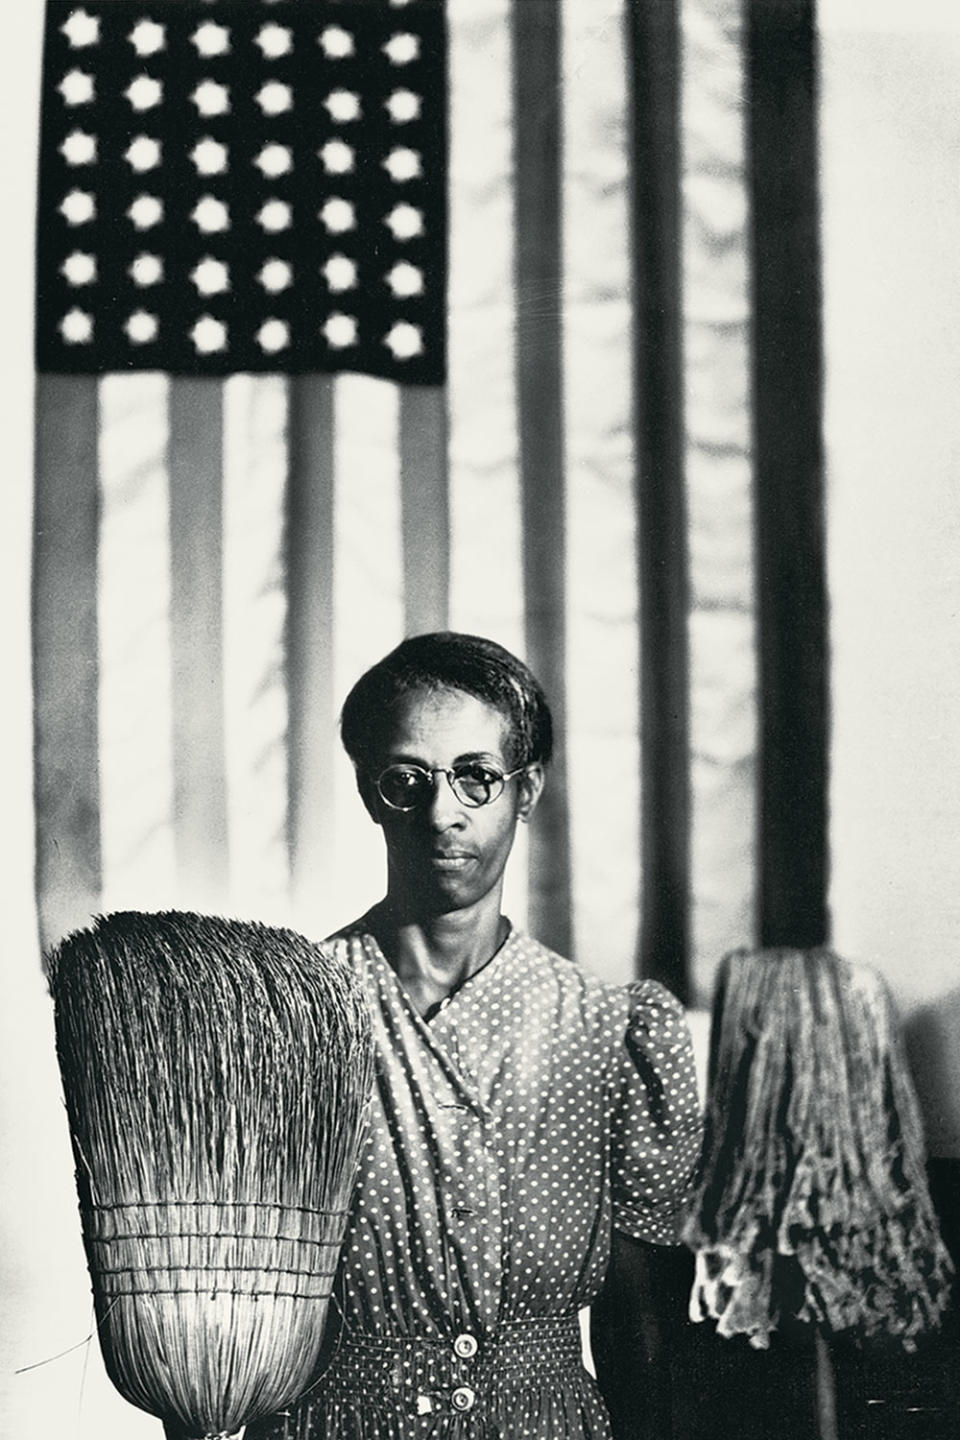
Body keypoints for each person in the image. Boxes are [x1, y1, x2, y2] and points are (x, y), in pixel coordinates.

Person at [252, 632, 702, 1440]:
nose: (442, 810)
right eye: (407, 779)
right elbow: (231, 1304)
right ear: (367, 790)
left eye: (475, 777)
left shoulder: (605, 1031)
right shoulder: (291, 1014)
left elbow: (643, 1331)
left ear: (526, 790)